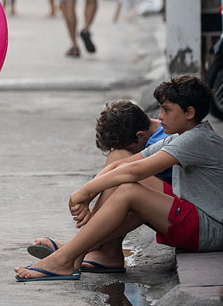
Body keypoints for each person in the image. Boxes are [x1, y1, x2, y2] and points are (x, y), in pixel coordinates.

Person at [16, 75, 223, 282]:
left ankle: (66, 258)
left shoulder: (196, 139)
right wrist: (89, 191)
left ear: (189, 113)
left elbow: (135, 172)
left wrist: (84, 193)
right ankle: (79, 252)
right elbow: (124, 163)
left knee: (128, 190)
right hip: (195, 214)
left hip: (211, 229)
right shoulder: (182, 135)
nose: (160, 116)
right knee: (125, 181)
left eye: (167, 110)